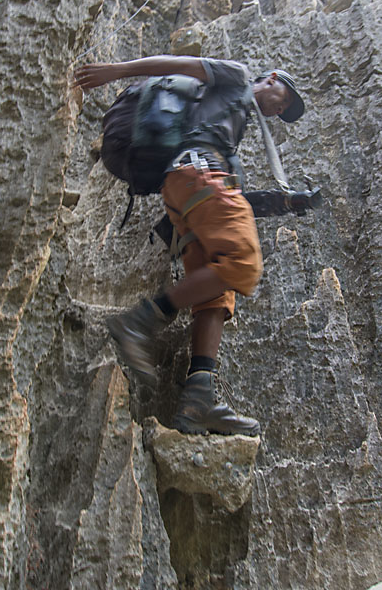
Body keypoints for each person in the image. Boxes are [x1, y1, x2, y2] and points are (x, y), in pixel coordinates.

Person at [74, 55, 305, 435]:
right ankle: (138, 323)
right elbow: (178, 64)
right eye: (286, 98)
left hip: (188, 190)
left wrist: (285, 203)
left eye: (285, 110)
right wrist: (115, 71)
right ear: (273, 77)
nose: (281, 109)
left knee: (216, 294)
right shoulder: (237, 77)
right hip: (199, 175)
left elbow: (234, 205)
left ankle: (199, 400)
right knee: (244, 262)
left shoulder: (230, 121)